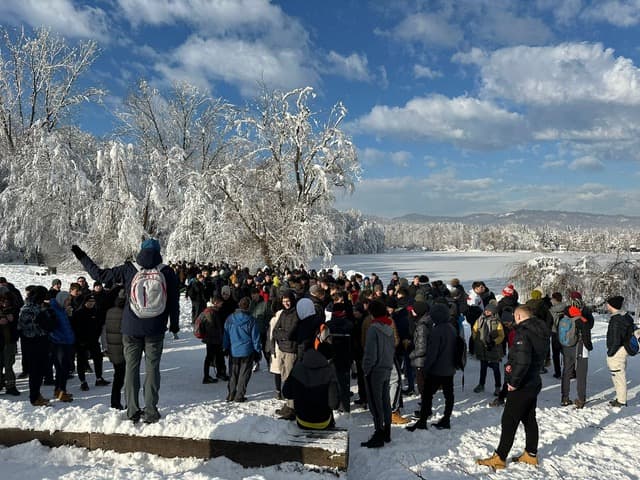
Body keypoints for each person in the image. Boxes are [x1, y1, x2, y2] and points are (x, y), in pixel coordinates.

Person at [71, 239, 180, 424]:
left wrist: (81, 256)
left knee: (131, 368)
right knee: (153, 368)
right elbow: (173, 303)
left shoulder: (129, 269)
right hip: (155, 329)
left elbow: (100, 275)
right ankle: (151, 410)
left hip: (131, 328)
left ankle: (132, 410)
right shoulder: (167, 272)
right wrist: (174, 325)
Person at [477, 305, 549, 470]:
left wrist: (513, 382)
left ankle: (500, 457)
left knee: (509, 420)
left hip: (522, 384)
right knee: (529, 418)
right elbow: (528, 356)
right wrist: (512, 365)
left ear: (518, 317)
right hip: (533, 381)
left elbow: (524, 361)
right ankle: (530, 454)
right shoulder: (540, 330)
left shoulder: (523, 333)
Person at [406, 303, 457, 431]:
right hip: (449, 368)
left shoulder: (437, 330)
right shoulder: (451, 328)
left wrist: (427, 368)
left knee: (427, 395)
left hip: (437, 370)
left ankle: (423, 421)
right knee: (449, 395)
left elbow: (432, 353)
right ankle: (446, 419)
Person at [361, 299, 395, 448]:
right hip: (387, 367)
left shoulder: (374, 329)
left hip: (375, 370)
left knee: (375, 404)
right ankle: (387, 430)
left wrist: (366, 369)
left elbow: (370, 353)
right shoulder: (389, 327)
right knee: (385, 400)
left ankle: (379, 433)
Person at [282, 344, 339, 430]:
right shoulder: (329, 372)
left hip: (302, 421)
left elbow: (286, 393)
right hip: (323, 421)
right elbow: (334, 404)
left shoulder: (298, 367)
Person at [17, 286, 57, 406]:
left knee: (38, 371)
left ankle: (36, 394)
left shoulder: (32, 307)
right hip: (34, 343)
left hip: (35, 342)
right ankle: (34, 397)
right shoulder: (32, 309)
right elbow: (47, 326)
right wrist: (50, 317)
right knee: (36, 372)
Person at [223, 297, 262, 402]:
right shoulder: (251, 320)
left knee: (233, 373)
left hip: (234, 350)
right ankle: (239, 395)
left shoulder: (230, 319)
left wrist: (225, 347)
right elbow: (256, 338)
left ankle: (231, 393)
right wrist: (257, 351)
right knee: (244, 374)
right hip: (247, 351)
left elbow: (226, 335)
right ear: (248, 307)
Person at [560, 296, 593, 409]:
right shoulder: (581, 319)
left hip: (566, 347)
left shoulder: (564, 316)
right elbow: (587, 337)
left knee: (566, 372)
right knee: (581, 373)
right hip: (579, 347)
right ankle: (581, 399)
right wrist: (589, 346)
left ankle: (564, 398)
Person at [605, 295, 634, 408]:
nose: (606, 305)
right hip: (623, 349)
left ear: (612, 305)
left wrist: (610, 353)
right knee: (618, 374)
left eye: (608, 303)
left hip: (617, 351)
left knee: (618, 376)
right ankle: (620, 398)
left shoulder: (616, 320)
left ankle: (621, 401)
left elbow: (616, 339)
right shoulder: (625, 317)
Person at [472, 303, 505, 396]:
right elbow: (474, 330)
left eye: (489, 311)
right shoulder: (479, 320)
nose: (486, 312)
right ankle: (481, 384)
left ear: (493, 312)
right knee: (483, 368)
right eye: (486, 310)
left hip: (493, 349)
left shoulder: (497, 322)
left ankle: (498, 387)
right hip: (482, 348)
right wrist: (476, 340)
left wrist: (494, 342)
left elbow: (501, 335)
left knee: (496, 368)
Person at [104, 287, 126, 409]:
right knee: (128, 378)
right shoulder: (128, 313)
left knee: (117, 377)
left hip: (113, 349)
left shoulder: (110, 311)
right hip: (125, 348)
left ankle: (115, 402)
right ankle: (130, 403)